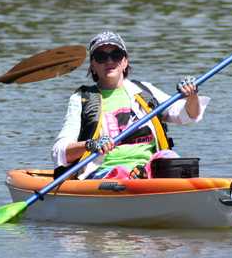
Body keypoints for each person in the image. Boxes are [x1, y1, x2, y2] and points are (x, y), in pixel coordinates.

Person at [52, 31, 207, 179]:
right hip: (106, 172)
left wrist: (192, 95)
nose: (109, 61)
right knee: (121, 174)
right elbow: (60, 152)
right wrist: (90, 145)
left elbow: (188, 115)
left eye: (116, 55)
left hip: (150, 168)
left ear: (125, 62)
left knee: (172, 159)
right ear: (93, 65)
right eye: (101, 56)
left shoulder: (144, 91)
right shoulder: (81, 99)